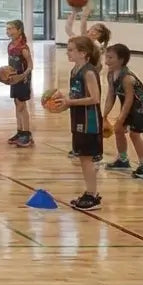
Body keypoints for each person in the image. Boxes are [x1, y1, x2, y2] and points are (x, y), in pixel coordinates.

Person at [60, 36, 105, 211]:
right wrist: (62, 100)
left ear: (83, 53)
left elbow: (95, 98)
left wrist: (70, 103)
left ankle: (92, 196)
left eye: (71, 49)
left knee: (87, 159)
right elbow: (76, 95)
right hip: (78, 118)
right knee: (82, 158)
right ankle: (89, 192)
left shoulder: (88, 72)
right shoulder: (75, 70)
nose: (68, 52)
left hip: (90, 121)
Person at [104, 43, 143, 179]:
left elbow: (129, 100)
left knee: (134, 134)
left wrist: (120, 119)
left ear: (121, 60)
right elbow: (110, 95)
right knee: (118, 130)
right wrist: (104, 115)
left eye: (110, 58)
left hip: (142, 105)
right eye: (106, 57)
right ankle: (123, 159)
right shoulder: (110, 74)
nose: (106, 61)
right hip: (130, 104)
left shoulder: (127, 77)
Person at [2, 20, 34, 148]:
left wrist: (22, 76)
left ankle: (27, 133)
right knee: (16, 104)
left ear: (19, 30)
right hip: (13, 79)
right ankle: (20, 131)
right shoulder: (10, 45)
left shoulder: (24, 48)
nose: (8, 31)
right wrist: (6, 75)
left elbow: (30, 66)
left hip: (23, 80)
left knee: (22, 106)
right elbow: (10, 65)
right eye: (7, 29)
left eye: (11, 29)